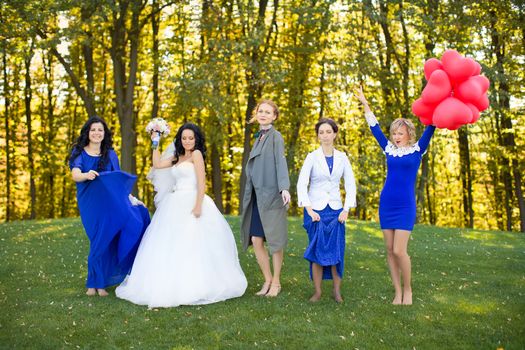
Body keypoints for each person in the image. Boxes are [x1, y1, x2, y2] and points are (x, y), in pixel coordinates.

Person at [116, 123, 247, 308]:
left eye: (190, 138)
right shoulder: (177, 157)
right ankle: (171, 282)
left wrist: (198, 205)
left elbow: (202, 182)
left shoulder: (196, 155)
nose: (187, 141)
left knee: (192, 242)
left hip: (193, 200)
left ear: (196, 139)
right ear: (180, 139)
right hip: (174, 202)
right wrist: (155, 142)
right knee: (171, 242)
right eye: (184, 138)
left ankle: (196, 284)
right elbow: (157, 164)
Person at [354, 87, 436, 305]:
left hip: (405, 206)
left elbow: (432, 125)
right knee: (389, 251)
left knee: (400, 250)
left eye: (400, 133)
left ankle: (408, 290)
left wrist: (440, 101)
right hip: (387, 203)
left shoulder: (419, 149)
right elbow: (374, 127)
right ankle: (397, 292)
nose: (396, 137)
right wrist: (364, 102)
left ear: (409, 133)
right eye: (394, 134)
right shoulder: (389, 149)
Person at [69, 116, 150, 297]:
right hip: (91, 202)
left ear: (104, 134)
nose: (97, 133)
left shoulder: (111, 154)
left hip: (111, 202)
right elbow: (75, 175)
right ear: (87, 133)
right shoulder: (79, 152)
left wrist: (132, 199)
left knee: (134, 220)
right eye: (93, 130)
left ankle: (99, 284)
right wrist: (86, 175)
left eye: (100, 130)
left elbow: (117, 182)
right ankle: (94, 283)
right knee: (98, 238)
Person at [297, 118, 356, 303]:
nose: (325, 135)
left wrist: (346, 209)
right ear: (318, 136)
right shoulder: (311, 157)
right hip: (316, 211)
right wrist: (309, 209)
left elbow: (350, 184)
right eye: (321, 132)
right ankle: (317, 291)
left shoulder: (342, 158)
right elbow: (302, 184)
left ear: (335, 134)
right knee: (316, 251)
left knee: (337, 252)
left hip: (337, 211)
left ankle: (337, 291)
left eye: (328, 132)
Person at [240, 99, 291, 297]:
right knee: (256, 239)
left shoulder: (275, 137)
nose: (263, 114)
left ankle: (276, 282)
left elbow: (280, 162)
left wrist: (284, 188)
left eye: (268, 112)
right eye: (260, 111)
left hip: (271, 196)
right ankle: (267, 280)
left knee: (275, 240)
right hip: (256, 196)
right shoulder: (258, 137)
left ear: (274, 116)